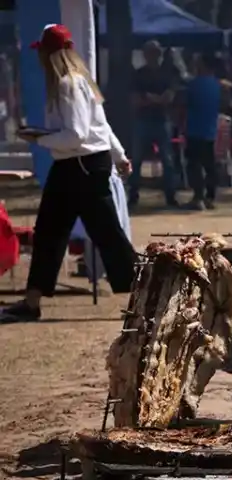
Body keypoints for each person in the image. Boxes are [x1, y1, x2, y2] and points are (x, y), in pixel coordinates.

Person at [0, 24, 134, 324]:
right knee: (52, 231)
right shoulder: (81, 81)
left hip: (81, 165)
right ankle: (32, 301)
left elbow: (75, 135)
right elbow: (103, 127)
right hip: (81, 165)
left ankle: (148, 291)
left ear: (50, 53)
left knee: (105, 234)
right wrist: (120, 155)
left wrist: (40, 139)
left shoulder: (68, 84)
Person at [129, 39, 178, 208]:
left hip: (162, 120)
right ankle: (133, 195)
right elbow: (135, 101)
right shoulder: (138, 74)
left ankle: (170, 196)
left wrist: (149, 98)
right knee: (136, 160)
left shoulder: (167, 74)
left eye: (154, 52)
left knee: (167, 160)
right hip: (142, 120)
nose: (151, 55)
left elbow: (169, 98)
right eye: (148, 52)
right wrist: (158, 99)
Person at [184, 52, 222, 210]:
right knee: (209, 164)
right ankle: (210, 196)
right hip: (210, 130)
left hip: (194, 129)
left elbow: (185, 104)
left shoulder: (194, 84)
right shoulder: (217, 85)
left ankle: (198, 196)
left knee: (194, 165)